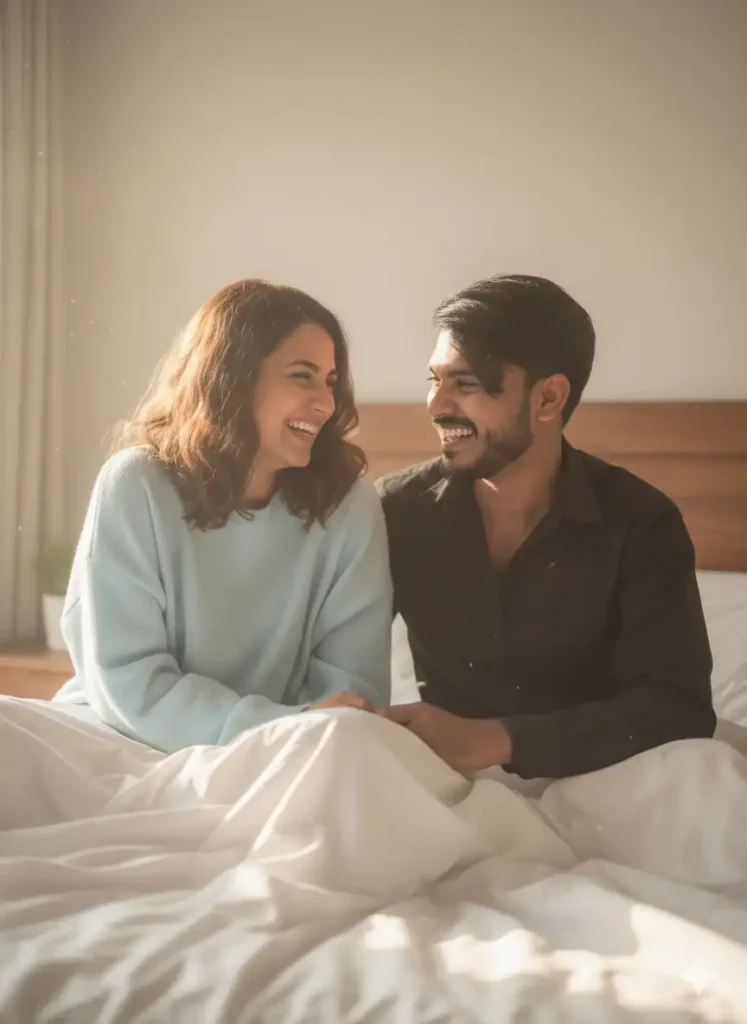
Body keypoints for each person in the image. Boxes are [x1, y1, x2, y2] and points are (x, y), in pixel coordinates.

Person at [377, 274, 715, 780]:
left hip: (612, 782)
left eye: (464, 383)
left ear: (548, 400)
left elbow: (678, 706)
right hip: (450, 787)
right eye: (434, 379)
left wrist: (497, 740)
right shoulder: (392, 513)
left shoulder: (641, 522)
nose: (436, 405)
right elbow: (331, 661)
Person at [55, 280, 393, 753]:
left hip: (293, 748)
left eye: (331, 382)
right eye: (303, 375)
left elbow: (353, 696)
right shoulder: (135, 485)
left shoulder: (348, 504)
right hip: (125, 735)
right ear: (234, 375)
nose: (325, 403)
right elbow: (125, 681)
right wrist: (269, 728)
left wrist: (284, 735)